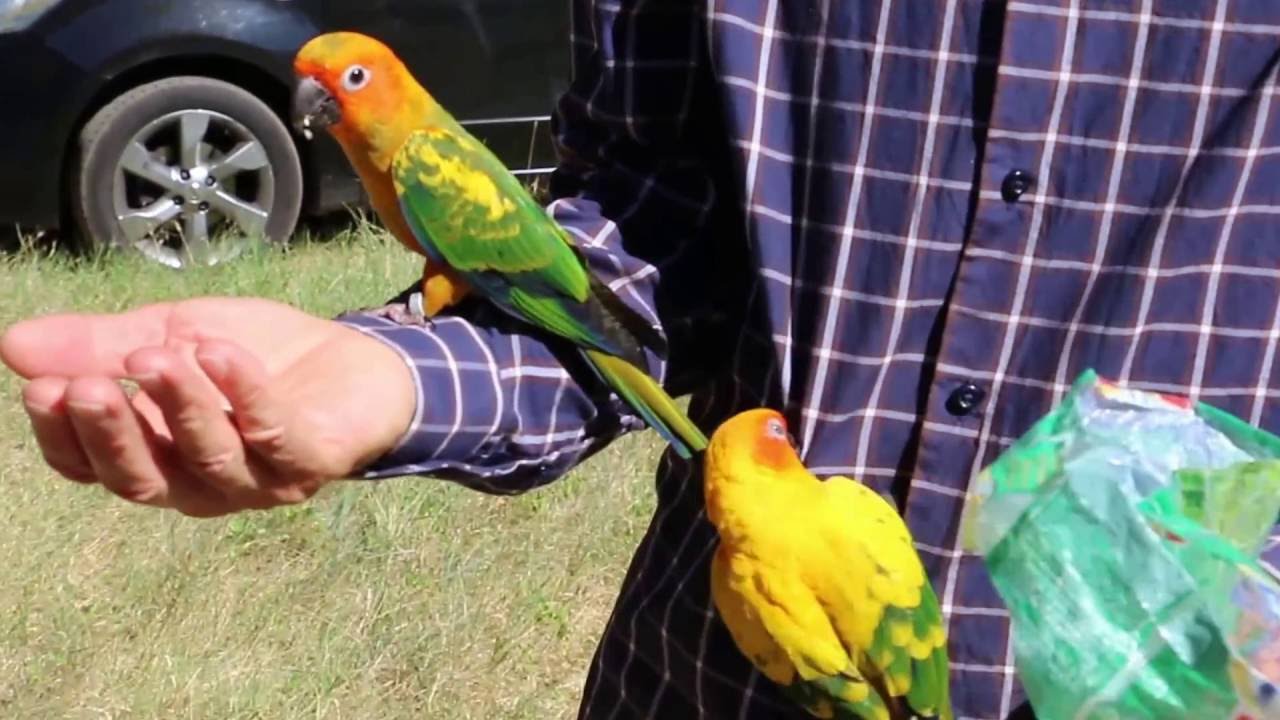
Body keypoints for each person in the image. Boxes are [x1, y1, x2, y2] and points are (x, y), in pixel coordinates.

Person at [5, 2, 1280, 718]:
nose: (326, 100)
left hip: (1175, 674)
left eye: (346, 80)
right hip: (717, 667)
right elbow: (638, 227)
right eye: (319, 85)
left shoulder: (431, 160)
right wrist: (396, 368)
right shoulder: (412, 166)